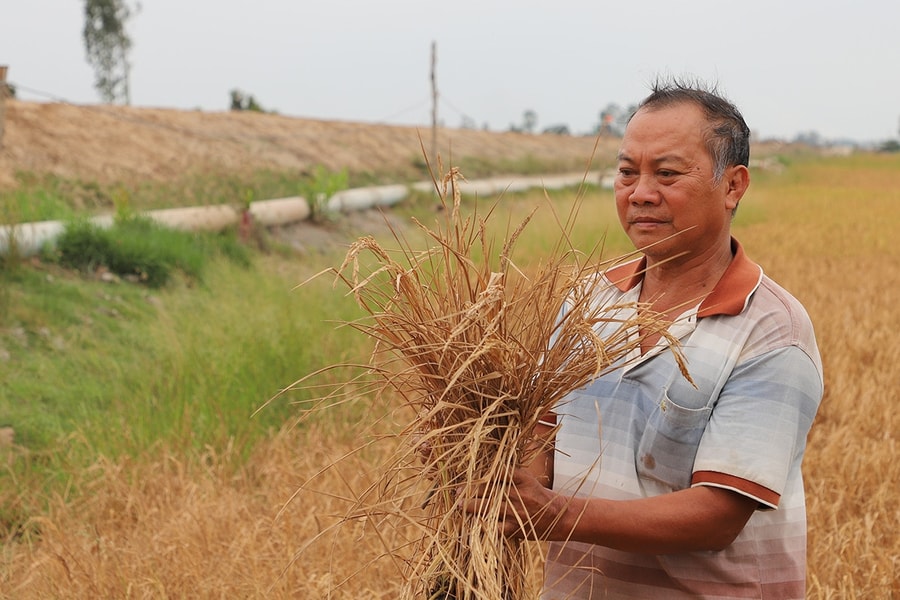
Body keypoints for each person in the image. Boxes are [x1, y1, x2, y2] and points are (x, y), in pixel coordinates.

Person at [483, 79, 824, 599]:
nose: (640, 193)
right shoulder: (587, 303)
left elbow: (716, 516)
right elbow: (543, 435)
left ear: (733, 185)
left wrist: (550, 513)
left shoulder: (772, 329)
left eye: (666, 173)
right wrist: (494, 477)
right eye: (626, 173)